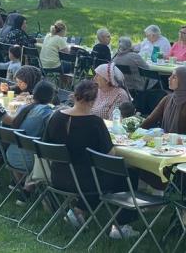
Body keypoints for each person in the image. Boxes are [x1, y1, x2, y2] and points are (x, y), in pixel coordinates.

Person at [44, 80, 140, 240]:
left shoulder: (56, 117)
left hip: (58, 176)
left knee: (97, 173)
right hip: (85, 181)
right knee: (128, 174)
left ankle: (79, 210)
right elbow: (110, 155)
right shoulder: (95, 122)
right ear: (94, 100)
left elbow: (46, 144)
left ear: (74, 96)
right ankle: (121, 225)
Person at [6, 80, 56, 172]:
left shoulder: (23, 107)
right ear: (51, 97)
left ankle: (18, 181)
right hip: (29, 161)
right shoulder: (46, 112)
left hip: (10, 155)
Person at [141, 66, 186, 134]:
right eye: (171, 76)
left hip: (182, 143)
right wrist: (136, 130)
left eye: (174, 77)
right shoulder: (167, 99)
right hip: (164, 140)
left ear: (184, 82)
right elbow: (151, 119)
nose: (169, 79)